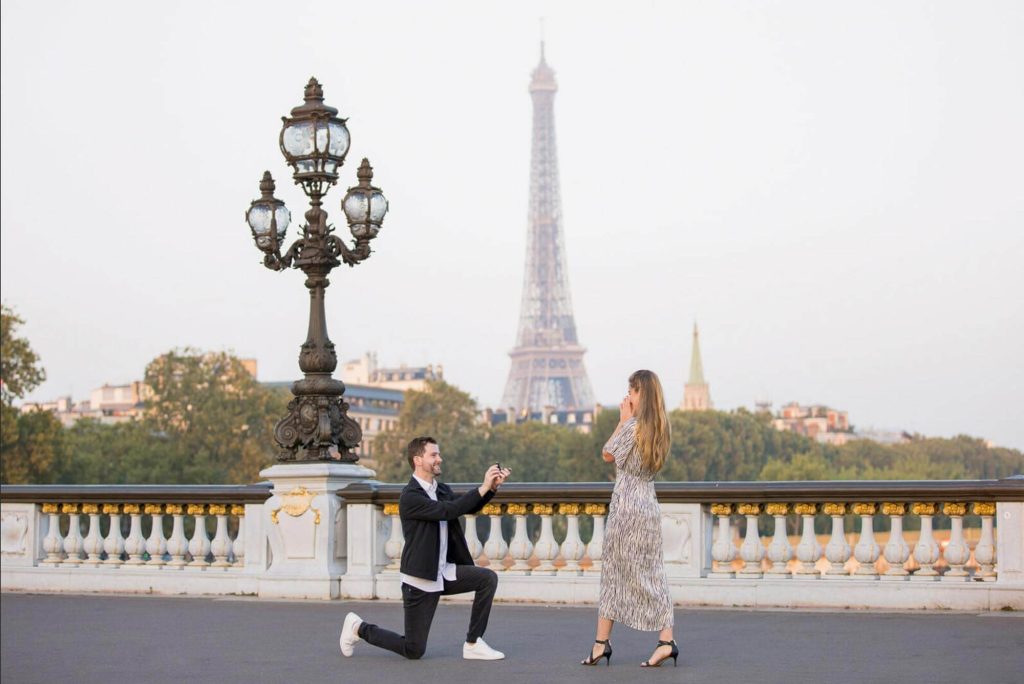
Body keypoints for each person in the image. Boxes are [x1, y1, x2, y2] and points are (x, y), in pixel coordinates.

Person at [340, 436, 511, 661]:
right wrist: (483, 486)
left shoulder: (441, 490)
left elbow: (465, 507)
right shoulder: (410, 496)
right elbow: (448, 510)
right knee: (414, 650)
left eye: (439, 454)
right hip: (420, 580)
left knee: (487, 579)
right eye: (434, 455)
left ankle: (473, 643)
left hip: (444, 572)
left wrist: (491, 489)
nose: (440, 459)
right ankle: (358, 628)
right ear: (418, 460)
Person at [581, 369, 678, 668]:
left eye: (632, 391)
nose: (628, 396)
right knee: (650, 574)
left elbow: (607, 453)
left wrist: (622, 419)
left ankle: (604, 643)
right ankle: (663, 640)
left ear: (642, 395)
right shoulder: (660, 428)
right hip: (647, 505)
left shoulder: (633, 426)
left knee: (614, 575)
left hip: (626, 509)